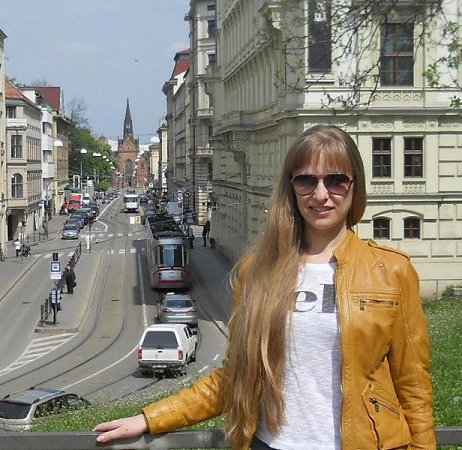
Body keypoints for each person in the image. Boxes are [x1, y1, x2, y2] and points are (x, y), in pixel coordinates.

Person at [93, 125, 435, 449]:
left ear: (354, 185)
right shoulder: (258, 270)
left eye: (336, 180)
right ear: (291, 187)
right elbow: (235, 377)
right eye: (306, 180)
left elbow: (414, 390)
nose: (321, 195)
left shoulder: (391, 272)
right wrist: (150, 418)